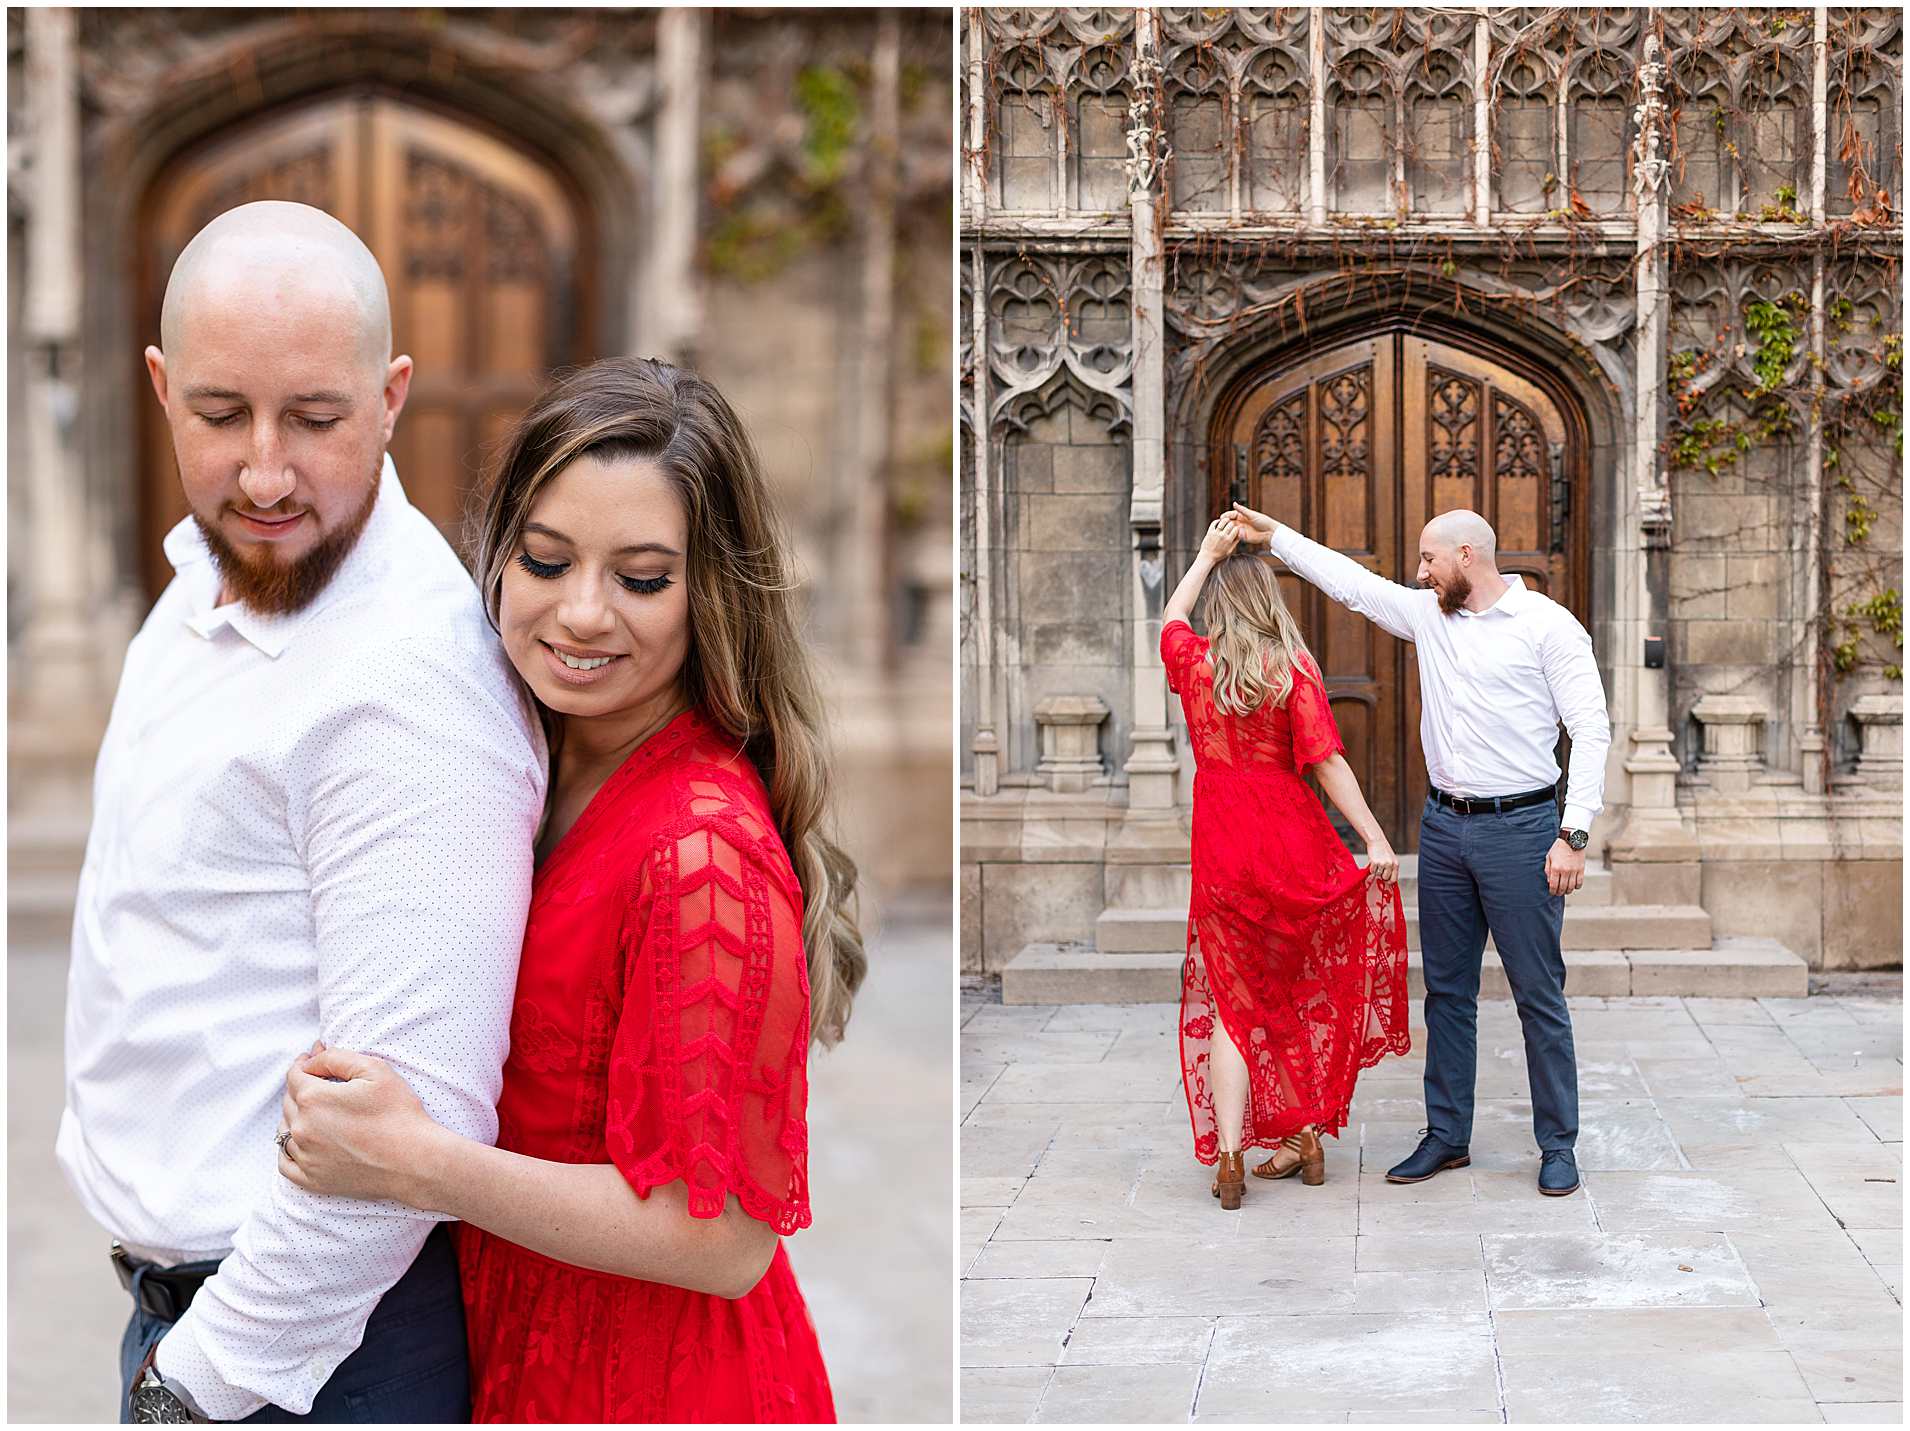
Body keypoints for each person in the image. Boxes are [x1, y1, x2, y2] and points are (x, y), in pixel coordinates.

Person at [273, 357, 864, 1423]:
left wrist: (418, 1163)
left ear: (711, 591)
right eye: (546, 561)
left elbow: (721, 1238)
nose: (580, 614)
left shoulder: (701, 851)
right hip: (518, 1349)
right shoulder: (509, 752)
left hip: (656, 1381)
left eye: (641, 579)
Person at [58, 202, 546, 1421]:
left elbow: (409, 1128)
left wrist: (199, 1384)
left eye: (316, 419)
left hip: (310, 1363)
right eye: (223, 416)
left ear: (391, 398)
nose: (266, 472)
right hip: (194, 1325)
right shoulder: (202, 578)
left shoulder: (406, 681)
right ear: (162, 389)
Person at [1229, 502, 1612, 1197]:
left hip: (1522, 830)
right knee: (1447, 993)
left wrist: (1573, 833)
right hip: (1443, 831)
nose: (1419, 572)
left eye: (1429, 560)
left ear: (1468, 555)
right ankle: (1446, 1135)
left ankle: (1558, 1143)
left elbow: (1592, 729)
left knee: (1538, 995)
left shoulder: (1549, 627)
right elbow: (1350, 584)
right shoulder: (1428, 617)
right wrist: (1275, 535)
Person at [1161, 514, 1412, 1210]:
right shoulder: (1292, 670)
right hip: (1290, 841)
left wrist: (1207, 555)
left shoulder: (1196, 666)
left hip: (1222, 848)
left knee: (1233, 1005)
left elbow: (1171, 616)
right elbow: (1326, 762)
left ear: (1222, 606)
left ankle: (1234, 1158)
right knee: (1298, 986)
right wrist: (1373, 837)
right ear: (1270, 606)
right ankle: (1304, 1136)